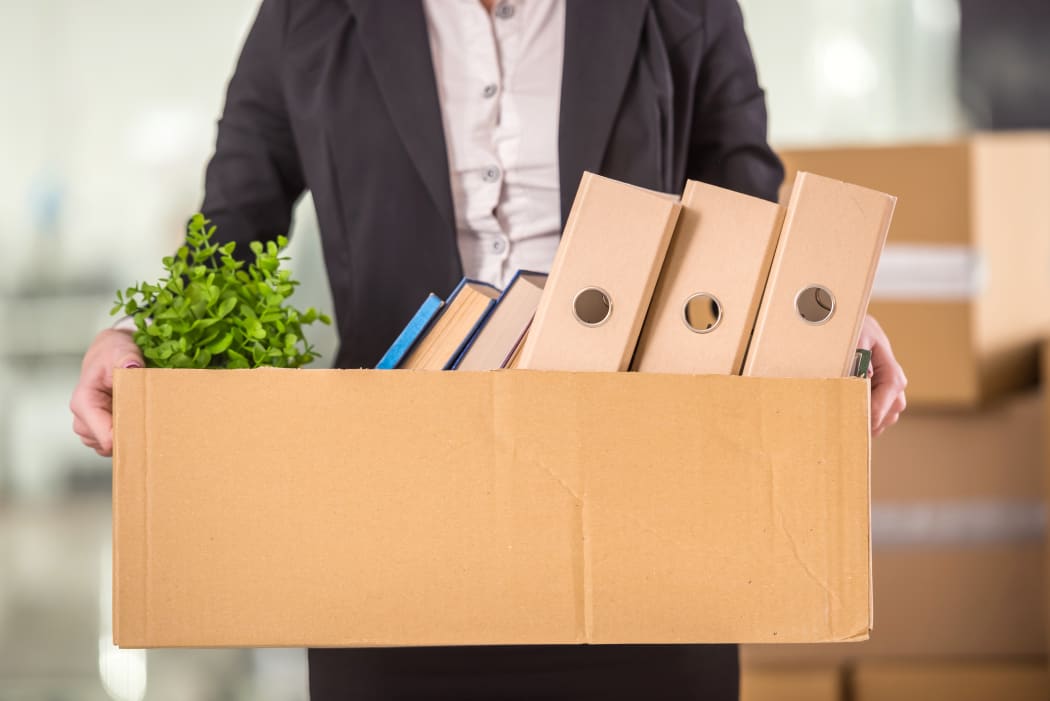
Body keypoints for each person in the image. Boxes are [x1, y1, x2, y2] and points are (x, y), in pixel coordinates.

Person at [71, 0, 908, 698]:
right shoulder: (310, 11)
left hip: (646, 514)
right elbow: (232, 227)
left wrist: (835, 328)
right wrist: (143, 340)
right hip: (393, 532)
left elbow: (748, 207)